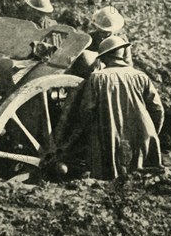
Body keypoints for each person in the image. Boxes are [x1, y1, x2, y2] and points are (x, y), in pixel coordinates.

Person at [68, 36, 164, 180]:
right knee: (143, 182)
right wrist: (151, 134)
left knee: (111, 184)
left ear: (104, 57)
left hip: (109, 139)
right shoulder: (140, 76)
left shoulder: (97, 78)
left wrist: (91, 135)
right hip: (143, 136)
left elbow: (87, 111)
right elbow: (157, 110)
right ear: (121, 54)